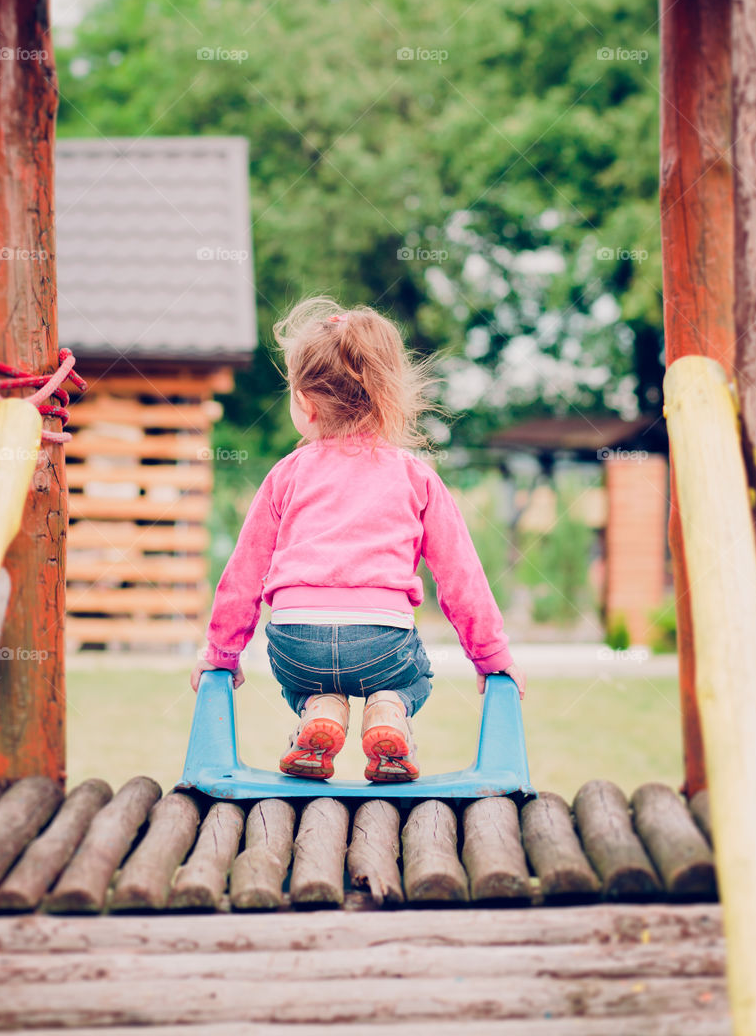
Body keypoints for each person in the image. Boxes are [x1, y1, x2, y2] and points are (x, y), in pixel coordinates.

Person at [190, 296, 525, 782]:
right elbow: (460, 576)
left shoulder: (287, 474)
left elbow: (244, 572)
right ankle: (390, 709)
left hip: (294, 642)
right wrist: (492, 657)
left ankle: (317, 707)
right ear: (389, 395)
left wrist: (221, 654)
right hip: (381, 645)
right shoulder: (415, 476)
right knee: (416, 677)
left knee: (307, 681)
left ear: (304, 403)